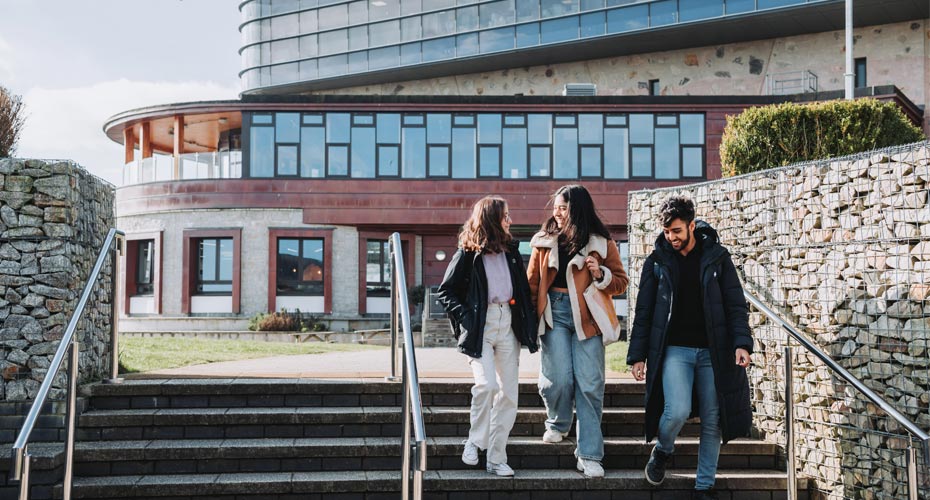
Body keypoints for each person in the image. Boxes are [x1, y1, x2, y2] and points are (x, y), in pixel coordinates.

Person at [627, 196, 753, 500]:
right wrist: (637, 355)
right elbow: (643, 311)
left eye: (677, 231)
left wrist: (741, 343)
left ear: (692, 226)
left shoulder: (717, 258)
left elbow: (735, 304)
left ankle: (704, 487)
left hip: (713, 352)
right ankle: (663, 450)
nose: (671, 238)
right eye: (667, 232)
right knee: (677, 410)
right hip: (675, 351)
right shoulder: (657, 261)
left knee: (713, 418)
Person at [526, 184, 629, 478]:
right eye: (556, 207)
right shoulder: (544, 240)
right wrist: (529, 320)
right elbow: (532, 284)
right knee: (557, 378)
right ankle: (558, 422)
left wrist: (600, 273)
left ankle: (589, 454)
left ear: (577, 209)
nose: (557, 212)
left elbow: (621, 283)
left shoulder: (602, 242)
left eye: (563, 207)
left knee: (589, 384)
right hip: (554, 312)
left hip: (589, 317)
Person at [437, 195, 539, 477]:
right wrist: (468, 317)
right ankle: (474, 441)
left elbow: (521, 290)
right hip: (481, 325)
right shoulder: (468, 254)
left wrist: (528, 323)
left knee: (509, 395)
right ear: (492, 219)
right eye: (506, 216)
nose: (510, 220)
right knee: (487, 386)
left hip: (508, 324)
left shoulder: (512, 252)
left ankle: (496, 458)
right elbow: (446, 292)